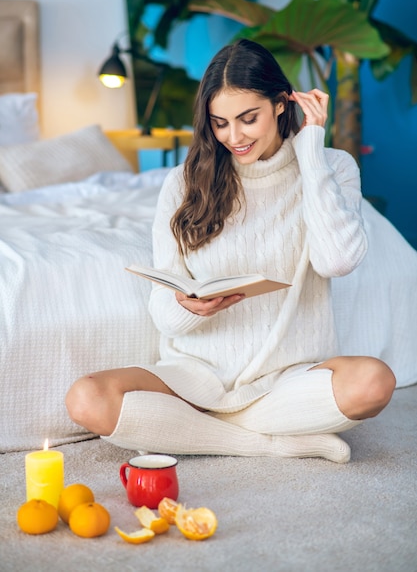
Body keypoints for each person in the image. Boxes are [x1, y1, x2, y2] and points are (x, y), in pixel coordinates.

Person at [66, 39, 396, 463]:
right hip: (196, 376)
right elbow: (164, 314)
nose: (234, 137)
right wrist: (188, 307)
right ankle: (264, 443)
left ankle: (198, 433)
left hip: (287, 376)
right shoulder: (183, 183)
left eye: (248, 119)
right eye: (219, 123)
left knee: (373, 382)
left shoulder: (333, 166)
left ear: (281, 104)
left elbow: (337, 260)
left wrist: (311, 149)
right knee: (87, 398)